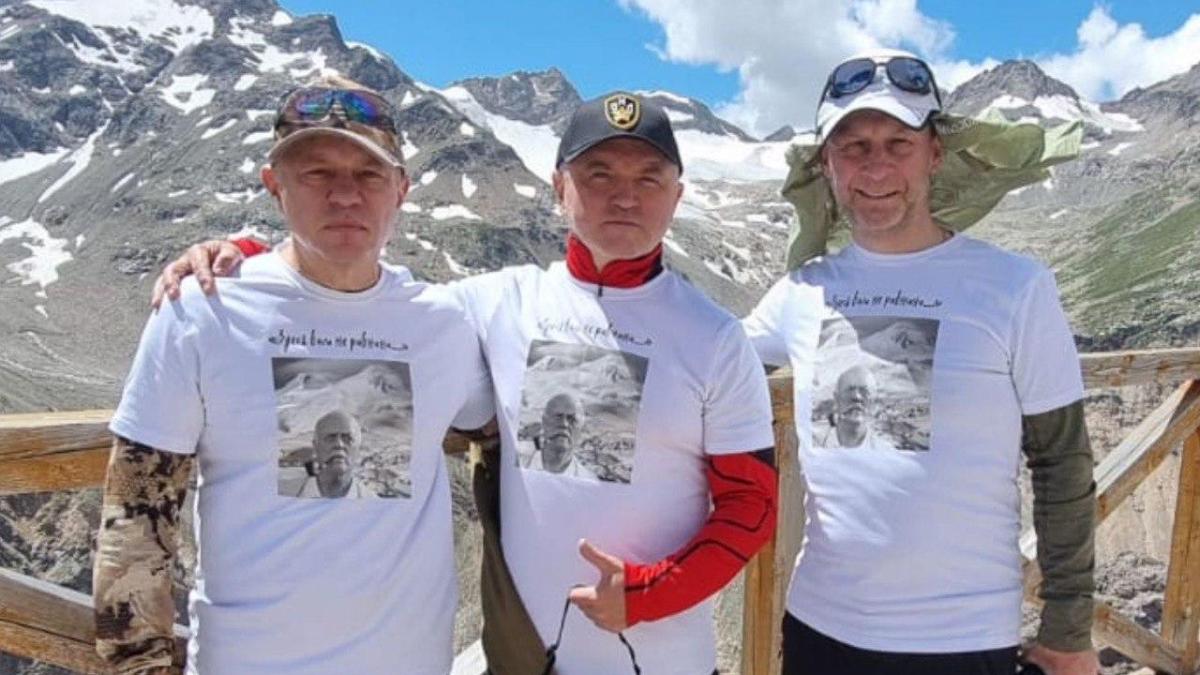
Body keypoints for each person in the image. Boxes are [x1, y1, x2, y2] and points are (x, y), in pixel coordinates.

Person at [150, 91, 779, 675]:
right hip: (521, 656)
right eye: (599, 175)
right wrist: (249, 256)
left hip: (663, 658)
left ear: (677, 194)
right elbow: (356, 292)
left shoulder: (715, 338)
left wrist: (650, 593)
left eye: (649, 179)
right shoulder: (494, 304)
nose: (625, 198)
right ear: (559, 186)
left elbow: (752, 505)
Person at [94, 75, 493, 674]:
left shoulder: (444, 323)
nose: (345, 195)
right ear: (274, 185)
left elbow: (504, 432)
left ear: (401, 189)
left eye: (369, 174)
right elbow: (133, 524)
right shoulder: (201, 310)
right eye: (316, 173)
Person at [743, 49, 1099, 675]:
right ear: (825, 164)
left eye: (898, 143)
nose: (876, 166)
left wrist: (1068, 630)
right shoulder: (800, 292)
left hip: (963, 638)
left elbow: (1062, 463)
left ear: (935, 153)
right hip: (820, 627)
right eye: (853, 147)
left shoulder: (1016, 287)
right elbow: (699, 360)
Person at [292, 410, 376, 498]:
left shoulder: (376, 504)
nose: (339, 444)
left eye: (348, 439)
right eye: (330, 438)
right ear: (315, 446)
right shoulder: (287, 497)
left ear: (358, 448)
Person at [816, 365, 893, 450]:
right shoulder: (814, 445)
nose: (857, 397)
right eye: (849, 390)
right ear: (836, 399)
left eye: (864, 391)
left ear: (873, 402)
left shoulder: (886, 452)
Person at [526, 392, 596, 479]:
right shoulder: (517, 460)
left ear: (581, 430)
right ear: (544, 422)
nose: (564, 424)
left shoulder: (589, 481)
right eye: (558, 417)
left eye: (572, 419)